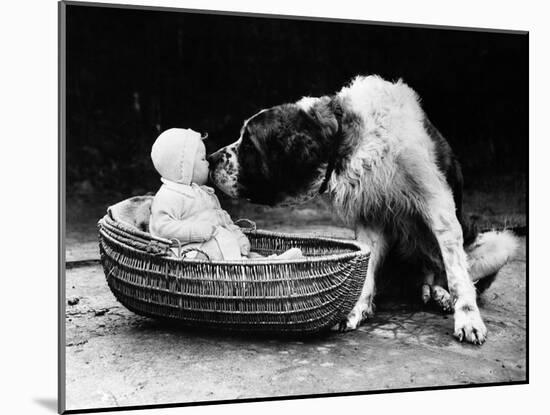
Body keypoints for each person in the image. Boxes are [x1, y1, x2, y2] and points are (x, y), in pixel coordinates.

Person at [149, 128, 303, 261]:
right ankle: (264, 268)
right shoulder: (170, 195)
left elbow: (223, 219)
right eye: (202, 159)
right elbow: (161, 228)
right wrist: (196, 231)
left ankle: (270, 263)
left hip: (221, 248)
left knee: (244, 255)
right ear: (183, 168)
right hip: (194, 255)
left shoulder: (206, 194)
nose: (208, 162)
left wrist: (238, 236)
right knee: (225, 257)